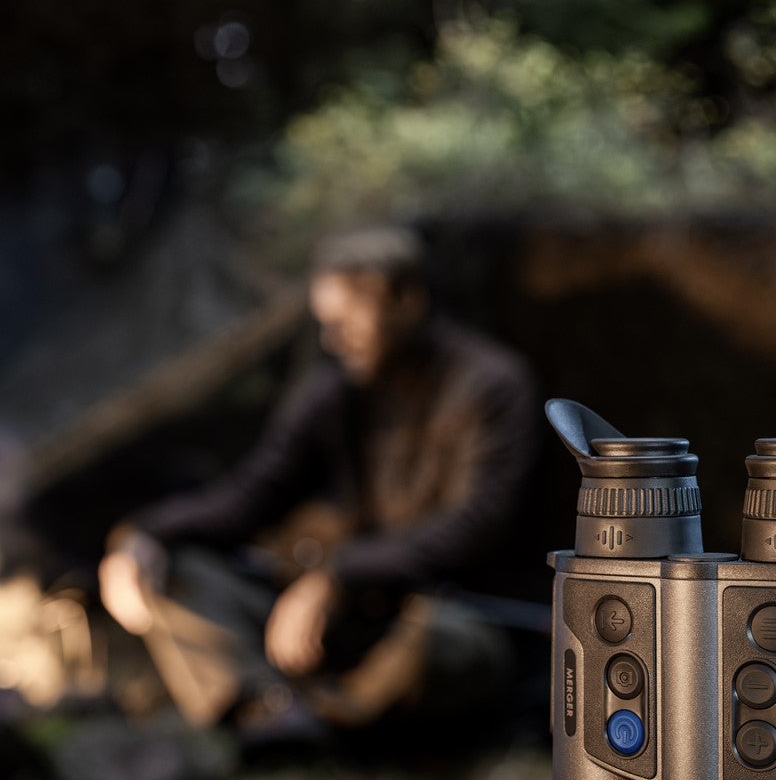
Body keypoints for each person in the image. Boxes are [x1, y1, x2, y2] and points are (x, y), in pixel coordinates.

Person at [98, 226, 539, 738]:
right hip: (341, 612)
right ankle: (267, 711)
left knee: (448, 647)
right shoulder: (336, 389)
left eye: (349, 319)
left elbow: (472, 526)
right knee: (179, 571)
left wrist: (338, 576)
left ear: (408, 301)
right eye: (327, 322)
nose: (333, 337)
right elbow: (249, 496)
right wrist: (143, 537)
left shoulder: (492, 385)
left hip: (440, 610)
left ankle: (331, 716)